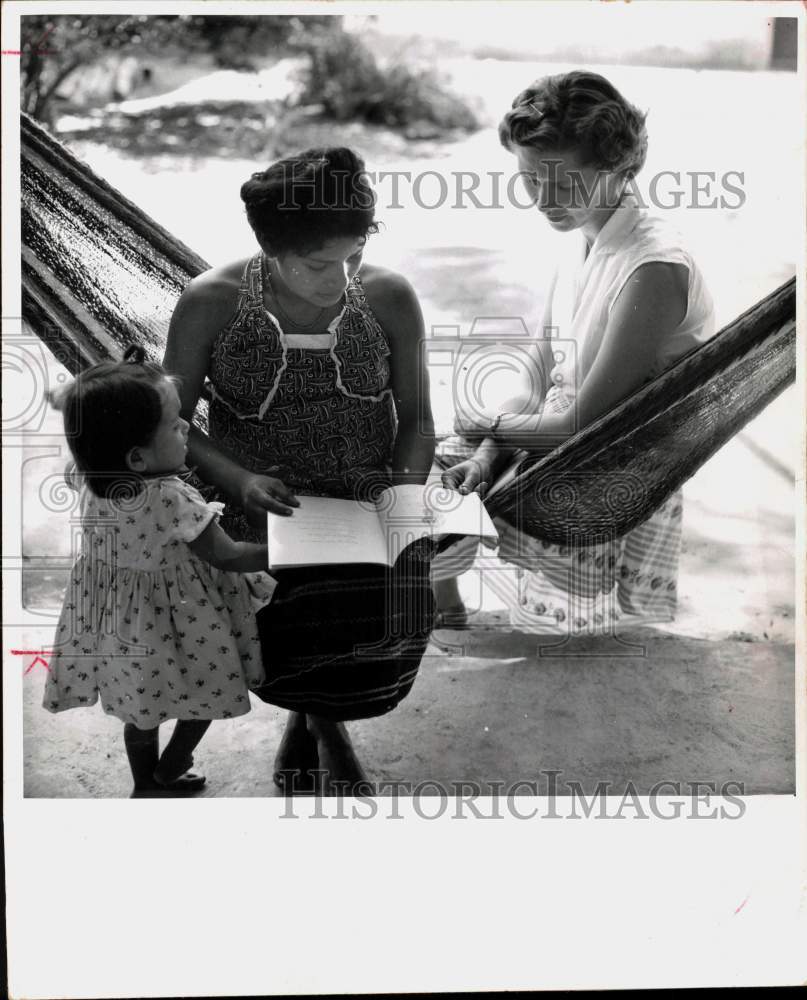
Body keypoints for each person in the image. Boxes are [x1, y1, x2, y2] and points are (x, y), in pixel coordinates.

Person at [163, 147, 436, 795]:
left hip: (368, 493)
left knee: (393, 608)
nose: (340, 279)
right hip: (258, 498)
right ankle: (320, 724)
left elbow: (419, 419)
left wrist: (402, 496)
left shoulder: (389, 298)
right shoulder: (213, 302)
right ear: (270, 249)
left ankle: (318, 718)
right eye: (318, 264)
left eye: (352, 258)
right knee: (287, 608)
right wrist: (237, 479)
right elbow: (168, 425)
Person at [438, 70, 715, 634]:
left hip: (613, 453)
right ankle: (443, 598)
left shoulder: (653, 267)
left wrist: (484, 424)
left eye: (563, 185)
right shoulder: (587, 232)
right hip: (562, 428)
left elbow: (583, 426)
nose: (543, 201)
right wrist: (488, 450)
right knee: (425, 462)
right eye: (530, 180)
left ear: (618, 168)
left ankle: (439, 600)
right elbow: (540, 367)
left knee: (436, 448)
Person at [43, 346, 277, 797]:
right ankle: (173, 764)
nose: (187, 427)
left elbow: (87, 420)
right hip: (185, 619)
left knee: (139, 709)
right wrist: (285, 551)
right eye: (174, 425)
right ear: (136, 459)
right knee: (208, 691)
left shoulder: (87, 474)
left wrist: (71, 395)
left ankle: (143, 785)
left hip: (123, 622)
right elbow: (228, 556)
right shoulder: (171, 497)